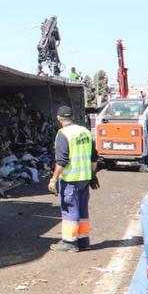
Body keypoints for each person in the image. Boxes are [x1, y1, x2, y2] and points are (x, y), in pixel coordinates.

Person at [48, 105, 97, 252]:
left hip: (70, 179)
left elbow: (62, 161)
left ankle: (69, 242)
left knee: (70, 210)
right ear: (73, 117)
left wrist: (53, 179)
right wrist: (93, 175)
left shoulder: (63, 134)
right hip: (85, 178)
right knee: (82, 210)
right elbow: (94, 157)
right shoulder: (85, 131)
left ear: (58, 118)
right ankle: (83, 241)